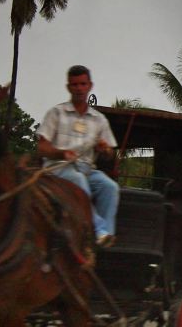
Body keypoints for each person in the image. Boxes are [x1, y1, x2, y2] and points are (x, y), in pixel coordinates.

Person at [37, 65, 119, 247]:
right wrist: (61, 153)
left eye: (83, 84)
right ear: (68, 87)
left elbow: (110, 153)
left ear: (90, 85)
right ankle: (97, 231)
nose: (79, 88)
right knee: (78, 180)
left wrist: (104, 149)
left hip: (87, 169)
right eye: (75, 85)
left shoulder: (99, 120)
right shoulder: (56, 113)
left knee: (110, 187)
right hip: (57, 169)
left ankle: (105, 237)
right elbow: (41, 147)